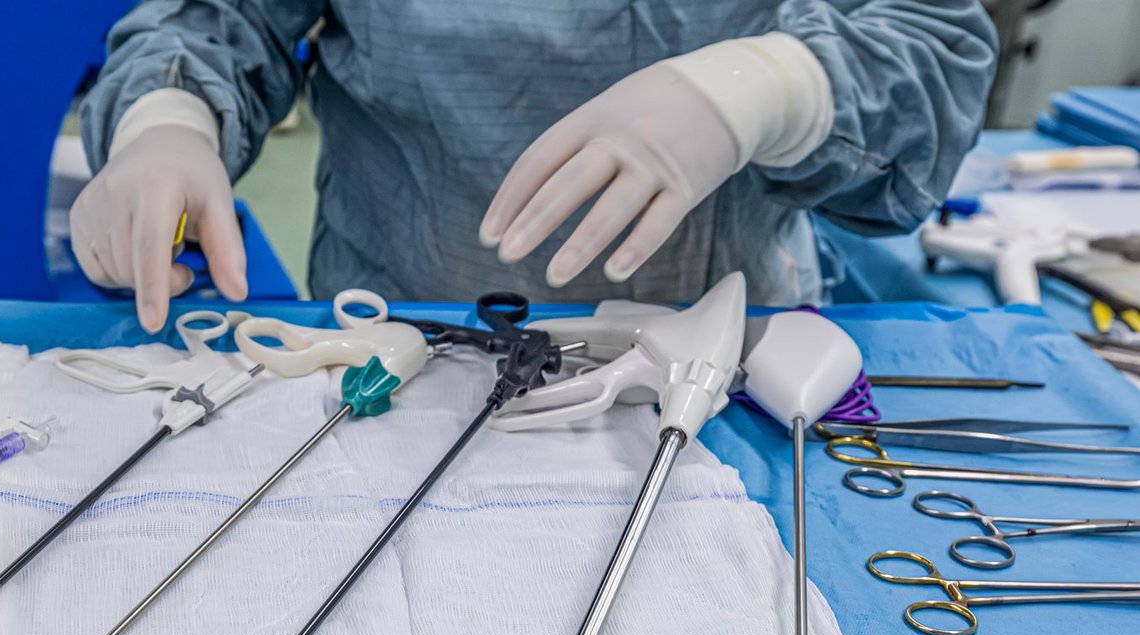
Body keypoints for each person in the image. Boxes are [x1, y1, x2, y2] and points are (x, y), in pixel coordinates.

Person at [66, 1, 998, 332]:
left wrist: (766, 87)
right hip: (402, 351)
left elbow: (925, 49)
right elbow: (220, 18)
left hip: (719, 359)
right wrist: (166, 115)